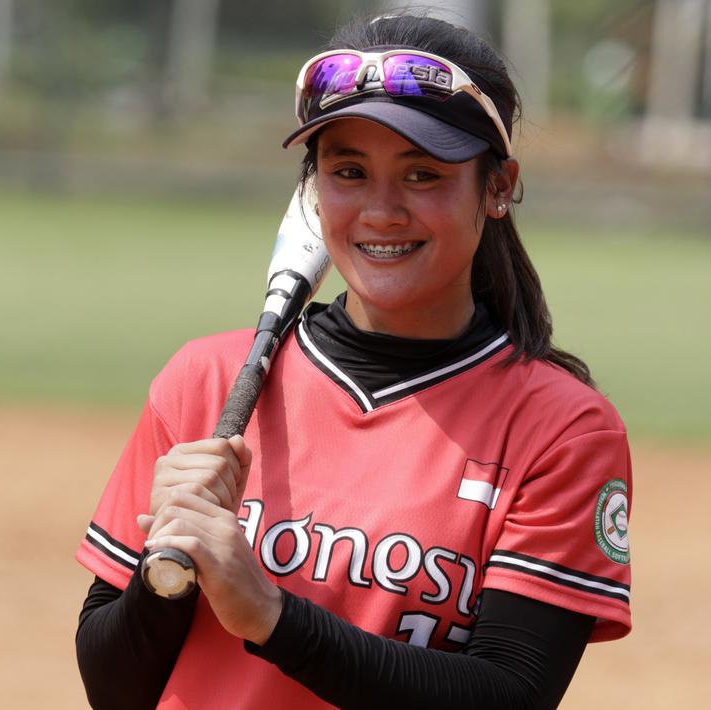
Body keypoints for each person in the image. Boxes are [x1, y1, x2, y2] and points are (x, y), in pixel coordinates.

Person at [75, 12, 632, 710]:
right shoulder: (208, 384)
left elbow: (509, 694)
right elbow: (113, 690)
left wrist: (271, 616)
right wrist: (167, 577)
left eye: (422, 174)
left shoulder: (560, 428)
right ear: (312, 191)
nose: (380, 210)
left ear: (496, 187)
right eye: (348, 171)